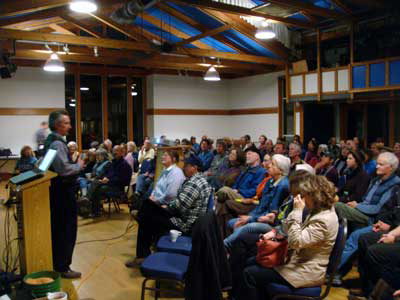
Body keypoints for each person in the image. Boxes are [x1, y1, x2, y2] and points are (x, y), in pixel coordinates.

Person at [234, 175, 338, 300]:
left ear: (314, 195)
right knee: (252, 260)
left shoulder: (323, 220)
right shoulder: (319, 210)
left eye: (305, 195)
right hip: (297, 262)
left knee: (249, 273)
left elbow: (296, 242)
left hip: (305, 271)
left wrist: (297, 212)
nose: (302, 198)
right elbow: (289, 230)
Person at [132, 154, 212, 263]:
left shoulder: (193, 184)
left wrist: (166, 206)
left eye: (187, 165)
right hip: (187, 219)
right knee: (148, 209)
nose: (184, 168)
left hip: (183, 224)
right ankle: (145, 251)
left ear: (195, 168)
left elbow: (179, 207)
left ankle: (143, 255)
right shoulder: (201, 180)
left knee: (146, 215)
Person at [44, 110, 84, 278]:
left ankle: (57, 262)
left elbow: (43, 166)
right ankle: (63, 267)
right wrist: (79, 165)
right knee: (67, 230)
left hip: (55, 193)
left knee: (58, 229)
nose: (69, 126)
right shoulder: (57, 144)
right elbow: (64, 170)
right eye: (66, 123)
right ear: (57, 125)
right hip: (63, 194)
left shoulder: (49, 141)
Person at [223, 154, 290, 249]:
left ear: (281, 170)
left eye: (273, 164)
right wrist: (250, 216)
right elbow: (261, 205)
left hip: (272, 223)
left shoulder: (282, 186)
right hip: (260, 216)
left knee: (247, 227)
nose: (269, 166)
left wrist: (250, 219)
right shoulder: (270, 181)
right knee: (232, 222)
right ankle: (232, 250)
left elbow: (272, 213)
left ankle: (224, 246)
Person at [335, 152, 400, 229]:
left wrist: (357, 206)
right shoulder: (375, 180)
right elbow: (364, 199)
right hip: (362, 208)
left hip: (371, 217)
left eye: (381, 164)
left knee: (336, 205)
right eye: (377, 164)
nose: (377, 166)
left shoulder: (394, 185)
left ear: (391, 167)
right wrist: (356, 204)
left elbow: (378, 209)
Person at [216, 146, 265, 236]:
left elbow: (255, 190)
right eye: (246, 154)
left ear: (257, 156)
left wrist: (238, 191)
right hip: (238, 197)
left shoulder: (261, 171)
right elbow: (236, 184)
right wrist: (235, 190)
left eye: (249, 153)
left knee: (224, 190)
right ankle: (222, 236)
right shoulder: (246, 170)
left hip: (249, 199)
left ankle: (214, 206)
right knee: (222, 203)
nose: (247, 156)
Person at [87, 145, 132, 217]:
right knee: (95, 183)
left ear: (122, 153)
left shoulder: (125, 165)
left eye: (116, 151)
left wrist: (109, 180)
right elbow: (110, 174)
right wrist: (106, 178)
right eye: (113, 150)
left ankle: (94, 210)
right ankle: (90, 207)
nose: (114, 152)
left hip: (118, 187)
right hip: (110, 183)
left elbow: (123, 181)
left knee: (98, 188)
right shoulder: (113, 163)